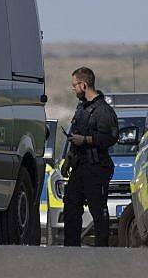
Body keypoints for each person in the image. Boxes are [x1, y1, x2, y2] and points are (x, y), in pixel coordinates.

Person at [63, 67, 118, 247]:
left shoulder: (103, 111)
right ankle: (71, 249)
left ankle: (101, 250)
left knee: (98, 209)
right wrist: (68, 159)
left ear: (84, 85)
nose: (73, 89)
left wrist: (85, 140)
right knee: (71, 207)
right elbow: (75, 134)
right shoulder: (81, 108)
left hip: (96, 169)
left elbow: (110, 137)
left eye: (75, 85)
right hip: (79, 167)